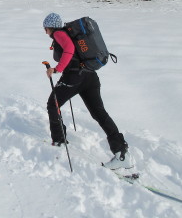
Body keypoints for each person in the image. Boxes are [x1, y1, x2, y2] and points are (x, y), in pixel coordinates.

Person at [42, 12, 134, 170]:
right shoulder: (68, 34)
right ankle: (121, 153)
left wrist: (57, 69)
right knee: (99, 113)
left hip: (74, 77)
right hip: (90, 76)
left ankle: (59, 140)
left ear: (51, 27)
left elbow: (69, 49)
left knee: (53, 104)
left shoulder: (59, 34)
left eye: (46, 29)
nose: (46, 32)